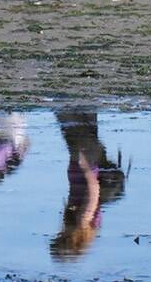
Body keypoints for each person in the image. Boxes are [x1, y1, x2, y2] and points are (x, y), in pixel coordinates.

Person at [51, 108, 127, 259]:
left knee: (80, 126)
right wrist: (85, 166)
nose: (59, 233)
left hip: (83, 161)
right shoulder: (84, 221)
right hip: (86, 161)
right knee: (72, 123)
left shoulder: (81, 223)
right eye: (60, 237)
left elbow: (76, 193)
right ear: (71, 239)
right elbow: (93, 192)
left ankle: (85, 104)